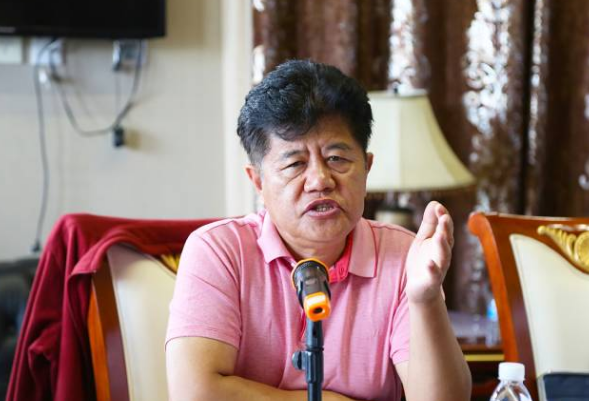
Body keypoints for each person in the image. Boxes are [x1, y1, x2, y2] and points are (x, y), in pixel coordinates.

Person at [165, 60, 471, 401]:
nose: (321, 181)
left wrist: (425, 299)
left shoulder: (402, 256)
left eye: (337, 159)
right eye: (295, 163)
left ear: (367, 168)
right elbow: (195, 393)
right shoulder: (219, 251)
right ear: (258, 181)